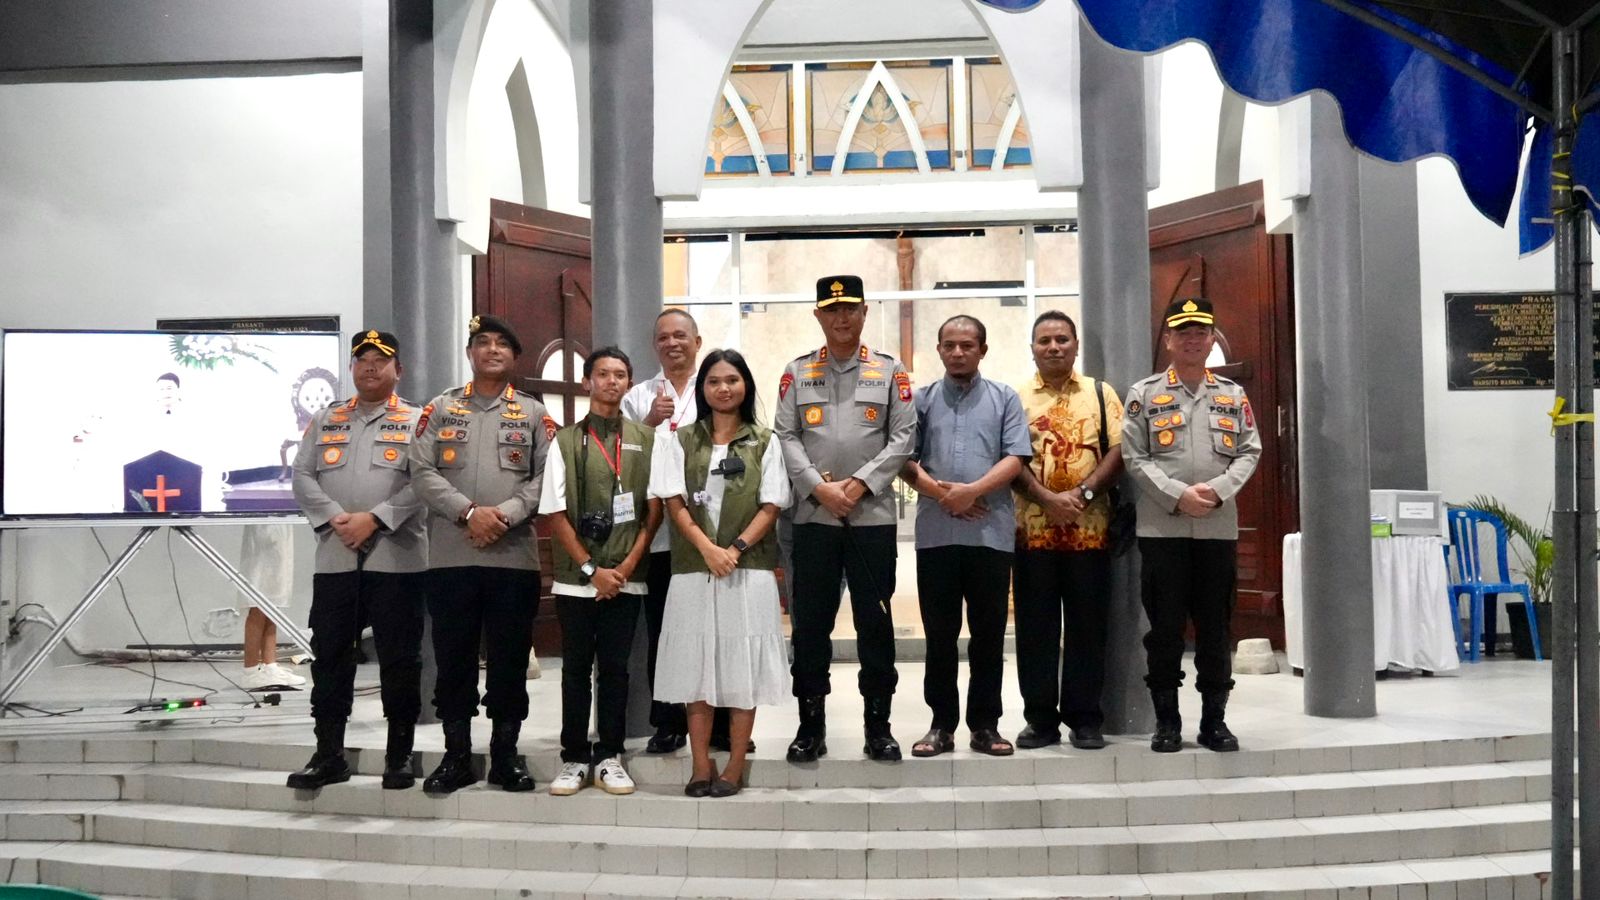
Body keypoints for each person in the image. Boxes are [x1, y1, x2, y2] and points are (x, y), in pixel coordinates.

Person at [775, 275, 916, 763]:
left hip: (871, 518)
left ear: (863, 313)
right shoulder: (797, 373)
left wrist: (856, 485)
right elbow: (786, 436)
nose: (841, 318)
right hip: (813, 519)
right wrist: (819, 487)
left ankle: (878, 726)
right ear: (818, 315)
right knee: (810, 625)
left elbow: (903, 438)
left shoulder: (890, 371)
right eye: (832, 310)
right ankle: (810, 726)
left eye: (850, 309)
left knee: (874, 624)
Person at [410, 314, 551, 793]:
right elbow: (420, 470)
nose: (491, 350)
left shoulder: (532, 413)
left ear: (514, 357)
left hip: (512, 559)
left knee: (510, 663)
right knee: (453, 662)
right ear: (470, 353)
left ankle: (506, 755)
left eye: (502, 344)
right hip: (451, 557)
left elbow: (546, 478)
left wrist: (504, 515)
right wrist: (469, 513)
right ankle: (456, 756)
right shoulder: (441, 408)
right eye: (482, 343)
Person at [286, 330, 426, 790]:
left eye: (380, 360)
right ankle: (329, 754)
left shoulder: (417, 420)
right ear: (351, 368)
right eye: (362, 359)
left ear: (397, 370)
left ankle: (400, 756)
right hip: (336, 559)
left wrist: (378, 519)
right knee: (329, 659)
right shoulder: (327, 418)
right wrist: (336, 518)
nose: (370, 367)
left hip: (397, 561)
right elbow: (303, 475)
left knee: (400, 661)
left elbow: (425, 482)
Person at [648, 349, 791, 796]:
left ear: (745, 385)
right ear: (702, 389)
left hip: (747, 569)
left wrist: (734, 549)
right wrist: (709, 549)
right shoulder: (680, 439)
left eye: (732, 379)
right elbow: (673, 500)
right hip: (694, 567)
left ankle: (733, 766)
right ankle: (699, 765)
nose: (723, 388)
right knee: (697, 666)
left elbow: (772, 504)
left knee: (741, 666)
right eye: (713, 381)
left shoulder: (765, 441)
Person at [1123, 298, 1262, 753]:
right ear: (1168, 339)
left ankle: (1214, 722)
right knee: (1163, 630)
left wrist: (1219, 490)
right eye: (1182, 331)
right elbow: (1134, 457)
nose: (1192, 339)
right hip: (1163, 530)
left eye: (1200, 331)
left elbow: (1250, 450)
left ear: (1211, 339)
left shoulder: (1232, 395)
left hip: (1217, 531)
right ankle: (1167, 722)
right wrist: (1177, 495)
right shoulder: (1143, 394)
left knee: (1216, 629)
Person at [898, 315, 1030, 758]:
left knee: (989, 635)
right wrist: (942, 494)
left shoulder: (1005, 398)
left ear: (982, 350)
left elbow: (1016, 458)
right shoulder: (921, 401)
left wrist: (972, 492)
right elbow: (903, 459)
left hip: (991, 535)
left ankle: (986, 725)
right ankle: (941, 724)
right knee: (939, 635)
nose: (958, 352)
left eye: (967, 345)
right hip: (936, 535)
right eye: (950, 345)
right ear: (938, 349)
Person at [539, 347, 661, 796]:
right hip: (577, 580)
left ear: (629, 384)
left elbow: (655, 511)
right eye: (603, 374)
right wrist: (593, 569)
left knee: (615, 669)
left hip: (627, 578)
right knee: (574, 669)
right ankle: (573, 757)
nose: (612, 381)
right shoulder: (566, 440)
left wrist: (625, 567)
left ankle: (609, 754)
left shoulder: (647, 440)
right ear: (588, 381)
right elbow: (555, 513)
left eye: (620, 375)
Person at [1010, 310, 1125, 751]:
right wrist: (1048, 499)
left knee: (1087, 628)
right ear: (1033, 348)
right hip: (1032, 534)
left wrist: (1083, 496)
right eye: (1045, 340)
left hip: (1089, 534)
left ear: (1075, 345)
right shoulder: (1016, 397)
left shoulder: (1100, 394)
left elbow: (1119, 451)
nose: (1054, 347)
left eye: (1062, 339)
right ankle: (1039, 720)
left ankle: (1085, 719)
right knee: (1035, 631)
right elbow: (1011, 458)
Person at [620, 309, 708, 754]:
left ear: (697, 340)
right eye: (663, 337)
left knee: (712, 629)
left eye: (680, 335)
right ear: (655, 345)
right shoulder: (637, 396)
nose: (672, 343)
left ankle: (722, 720)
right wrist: (649, 422)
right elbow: (621, 454)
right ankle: (668, 722)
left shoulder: (716, 385)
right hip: (657, 536)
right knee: (664, 630)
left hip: (710, 533)